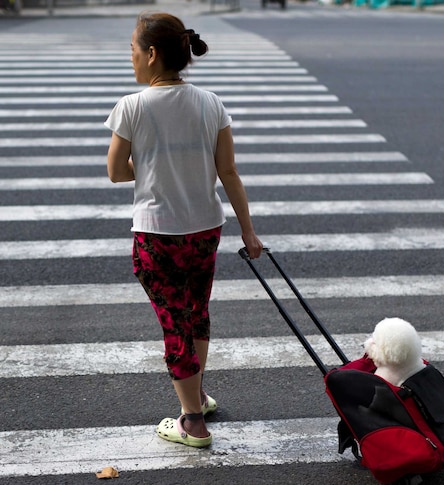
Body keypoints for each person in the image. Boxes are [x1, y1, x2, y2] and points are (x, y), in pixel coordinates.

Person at [105, 12, 264, 448]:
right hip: (204, 230)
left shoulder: (132, 106)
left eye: (133, 52)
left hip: (157, 235)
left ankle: (192, 420)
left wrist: (151, 165)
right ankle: (198, 394)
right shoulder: (211, 103)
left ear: (152, 55)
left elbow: (116, 171)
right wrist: (249, 234)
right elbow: (228, 171)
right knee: (197, 314)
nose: (132, 60)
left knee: (174, 323)